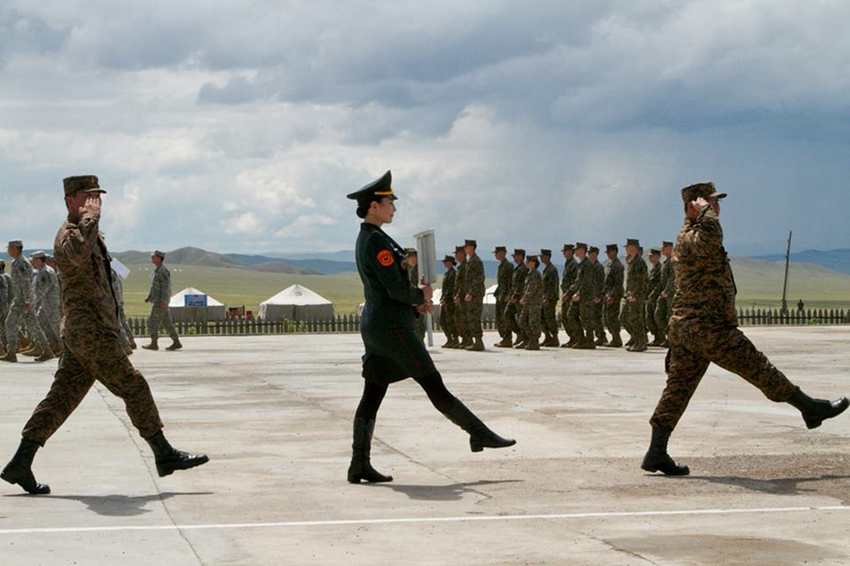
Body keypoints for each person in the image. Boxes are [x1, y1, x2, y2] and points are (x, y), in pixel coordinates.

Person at [1, 175, 208, 496]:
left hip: (91, 330)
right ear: (70, 200)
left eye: (97, 197)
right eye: (88, 197)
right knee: (134, 386)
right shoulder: (69, 235)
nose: (95, 203)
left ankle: (20, 461)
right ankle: (163, 454)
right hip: (89, 333)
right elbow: (79, 253)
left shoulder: (88, 233)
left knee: (61, 398)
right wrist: (89, 217)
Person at [643, 182, 849, 476]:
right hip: (708, 328)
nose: (717, 207)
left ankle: (656, 452)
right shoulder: (694, 235)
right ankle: (810, 408)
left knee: (678, 390)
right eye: (710, 202)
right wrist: (705, 214)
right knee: (759, 367)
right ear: (694, 205)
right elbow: (712, 236)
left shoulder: (691, 235)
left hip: (691, 328)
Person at [346, 171, 515, 484]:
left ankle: (359, 463)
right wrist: (417, 297)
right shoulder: (374, 242)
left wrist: (412, 304)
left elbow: (389, 289)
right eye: (389, 203)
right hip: (392, 328)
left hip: (382, 324)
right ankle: (478, 433)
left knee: (372, 393)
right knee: (433, 383)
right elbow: (393, 288)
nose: (393, 208)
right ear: (373, 207)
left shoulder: (375, 238)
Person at [2, 240, 54, 363]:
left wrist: (27, 301)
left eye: (9, 248)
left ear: (16, 248)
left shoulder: (21, 263)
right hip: (21, 299)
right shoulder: (16, 262)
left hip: (23, 300)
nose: (8, 250)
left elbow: (27, 283)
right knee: (33, 326)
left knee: (10, 323)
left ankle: (11, 353)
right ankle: (47, 351)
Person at [143, 251, 182, 351]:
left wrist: (164, 301)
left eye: (154, 257)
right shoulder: (158, 270)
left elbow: (166, 287)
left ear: (159, 258)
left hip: (160, 302)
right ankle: (176, 342)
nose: (152, 258)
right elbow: (156, 287)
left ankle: (154, 344)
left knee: (152, 322)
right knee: (167, 323)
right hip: (158, 301)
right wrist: (149, 297)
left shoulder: (162, 271)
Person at [31, 251, 62, 356]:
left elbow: (42, 290)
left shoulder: (46, 272)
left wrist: (32, 302)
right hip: (45, 304)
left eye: (34, 260)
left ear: (40, 260)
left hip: (51, 304)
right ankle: (52, 346)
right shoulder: (41, 271)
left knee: (55, 327)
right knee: (41, 324)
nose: (32, 262)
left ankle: (64, 349)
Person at [567, 243, 595, 349]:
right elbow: (578, 281)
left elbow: (587, 282)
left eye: (577, 250)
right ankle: (581, 339)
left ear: (583, 250)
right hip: (579, 296)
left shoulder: (587, 264)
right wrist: (570, 292)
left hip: (586, 297)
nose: (575, 252)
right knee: (572, 315)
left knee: (586, 319)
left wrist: (579, 294)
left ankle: (589, 341)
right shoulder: (581, 264)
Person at [623, 239, 648, 352]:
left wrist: (634, 294)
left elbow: (640, 281)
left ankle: (641, 343)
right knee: (632, 319)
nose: (626, 249)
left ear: (633, 248)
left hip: (636, 296)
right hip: (631, 295)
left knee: (636, 319)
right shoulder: (632, 261)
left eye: (628, 247)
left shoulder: (639, 262)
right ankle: (638, 341)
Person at [462, 239, 486, 351]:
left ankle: (479, 342)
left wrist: (471, 292)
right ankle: (477, 341)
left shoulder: (476, 261)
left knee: (474, 318)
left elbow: (479, 279)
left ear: (472, 247)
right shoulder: (470, 260)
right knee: (471, 318)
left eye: (467, 247)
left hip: (475, 294)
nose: (465, 249)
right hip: (472, 293)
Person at [111, 262, 137, 353]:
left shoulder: (109, 270)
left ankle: (125, 345)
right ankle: (131, 340)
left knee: (119, 322)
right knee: (122, 321)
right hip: (119, 300)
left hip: (114, 301)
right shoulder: (114, 266)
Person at [504, 249, 528, 348]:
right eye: (514, 256)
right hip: (514, 297)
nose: (515, 258)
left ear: (522, 257)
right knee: (507, 314)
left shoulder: (523, 269)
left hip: (520, 298)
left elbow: (522, 285)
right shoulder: (517, 268)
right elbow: (513, 285)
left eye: (517, 256)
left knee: (522, 319)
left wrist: (516, 296)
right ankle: (520, 334)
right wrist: (510, 296)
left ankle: (525, 338)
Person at [519, 255, 543, 350]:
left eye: (528, 261)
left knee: (533, 322)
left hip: (534, 302)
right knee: (522, 321)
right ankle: (530, 339)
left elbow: (531, 289)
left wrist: (525, 298)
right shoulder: (530, 273)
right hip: (528, 302)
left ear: (533, 263)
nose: (526, 263)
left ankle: (534, 342)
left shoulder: (535, 274)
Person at [653, 241, 675, 347]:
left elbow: (673, 278)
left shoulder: (674, 261)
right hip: (664, 294)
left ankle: (672, 339)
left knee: (670, 316)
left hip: (671, 294)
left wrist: (667, 291)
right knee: (658, 315)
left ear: (670, 248)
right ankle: (668, 336)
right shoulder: (666, 262)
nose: (662, 249)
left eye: (664, 247)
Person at [602, 244, 624, 347]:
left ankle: (617, 339)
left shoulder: (617, 265)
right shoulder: (610, 264)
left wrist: (612, 296)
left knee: (612, 317)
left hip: (614, 295)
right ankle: (615, 338)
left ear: (614, 252)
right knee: (607, 317)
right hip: (608, 294)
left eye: (609, 252)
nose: (608, 255)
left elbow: (618, 283)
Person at [493, 246, 513, 347]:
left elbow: (510, 283)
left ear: (503, 253)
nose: (496, 255)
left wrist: (508, 295)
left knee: (505, 318)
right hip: (500, 295)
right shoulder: (501, 266)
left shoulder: (508, 266)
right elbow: (501, 283)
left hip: (505, 296)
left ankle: (507, 339)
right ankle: (504, 338)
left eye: (497, 253)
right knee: (500, 318)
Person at [540, 249, 560, 347]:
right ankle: (548, 337)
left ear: (547, 257)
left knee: (550, 318)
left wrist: (547, 298)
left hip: (550, 298)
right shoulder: (546, 269)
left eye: (542, 256)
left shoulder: (552, 269)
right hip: (545, 298)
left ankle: (555, 338)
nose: (541, 258)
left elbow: (552, 286)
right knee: (542, 317)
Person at [405, 249, 426, 342]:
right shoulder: (405, 270)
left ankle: (420, 343)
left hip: (418, 302)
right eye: (411, 257)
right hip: (408, 302)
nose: (413, 259)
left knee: (420, 325)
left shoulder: (420, 270)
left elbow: (424, 286)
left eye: (415, 257)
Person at [559, 244, 578, 348]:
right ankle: (572, 338)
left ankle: (575, 338)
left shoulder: (574, 264)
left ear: (572, 252)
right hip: (566, 295)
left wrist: (569, 293)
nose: (565, 253)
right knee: (565, 318)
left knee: (570, 317)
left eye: (567, 251)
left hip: (570, 296)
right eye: (564, 252)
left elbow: (576, 282)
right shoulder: (568, 264)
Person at [439, 254, 458, 348]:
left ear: (451, 263)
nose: (445, 264)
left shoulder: (453, 273)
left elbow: (450, 288)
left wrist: (444, 298)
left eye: (446, 262)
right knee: (443, 321)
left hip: (449, 300)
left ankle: (454, 340)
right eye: (445, 262)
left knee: (450, 321)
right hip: (445, 299)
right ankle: (450, 339)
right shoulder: (447, 273)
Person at [453, 244, 470, 348]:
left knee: (464, 319)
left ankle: (468, 340)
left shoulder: (465, 266)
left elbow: (463, 283)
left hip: (463, 296)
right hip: (459, 296)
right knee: (459, 319)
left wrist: (459, 295)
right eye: (456, 255)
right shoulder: (460, 266)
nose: (457, 257)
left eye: (458, 254)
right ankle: (464, 339)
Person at [589, 246, 606, 345]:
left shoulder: (598, 267)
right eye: (590, 254)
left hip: (597, 296)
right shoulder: (591, 266)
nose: (591, 255)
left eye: (592, 254)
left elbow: (600, 283)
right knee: (594, 318)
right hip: (592, 296)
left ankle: (601, 337)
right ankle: (600, 336)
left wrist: (598, 296)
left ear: (596, 254)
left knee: (596, 317)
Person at [645, 249, 662, 346]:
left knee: (656, 318)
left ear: (658, 256)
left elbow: (659, 284)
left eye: (652, 256)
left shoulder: (659, 268)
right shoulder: (653, 269)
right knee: (649, 318)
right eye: (649, 256)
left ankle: (659, 338)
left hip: (655, 297)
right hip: (650, 297)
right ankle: (657, 338)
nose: (650, 258)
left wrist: (653, 294)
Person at [0, 261, 10, 357]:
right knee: (3, 327)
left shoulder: (2, 277)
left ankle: (2, 349)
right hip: (5, 305)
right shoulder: (4, 276)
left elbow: (3, 294)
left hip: (2, 305)